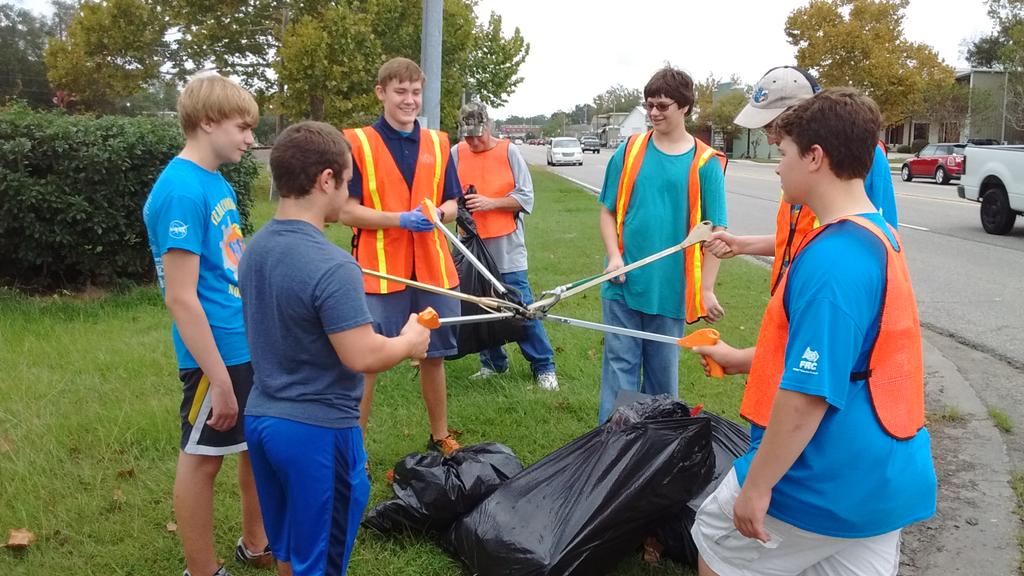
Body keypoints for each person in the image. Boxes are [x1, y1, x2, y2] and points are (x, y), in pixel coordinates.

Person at [690, 88, 936, 576]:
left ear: (815, 157)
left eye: (784, 152)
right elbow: (849, 357)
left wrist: (758, 485)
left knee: (714, 542)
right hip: (885, 478)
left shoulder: (832, 261)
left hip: (823, 476)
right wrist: (743, 360)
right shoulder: (878, 235)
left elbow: (808, 395)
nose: (777, 167)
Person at [240, 121, 431, 576]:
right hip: (317, 434)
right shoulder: (334, 265)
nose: (348, 192)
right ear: (326, 180)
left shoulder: (254, 248)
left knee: (289, 552)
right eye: (347, 181)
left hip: (263, 421)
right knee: (320, 563)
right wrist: (409, 341)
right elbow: (362, 355)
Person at [142, 73, 271, 576]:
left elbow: (226, 263)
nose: (250, 139)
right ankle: (201, 570)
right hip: (213, 353)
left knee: (253, 446)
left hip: (243, 341)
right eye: (243, 127)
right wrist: (217, 379)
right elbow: (181, 297)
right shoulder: (181, 190)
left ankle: (256, 544)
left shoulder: (215, 180)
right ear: (208, 122)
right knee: (202, 459)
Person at [700, 65, 900, 377]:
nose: (770, 138)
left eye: (773, 125)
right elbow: (796, 241)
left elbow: (868, 246)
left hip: (822, 309)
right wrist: (741, 245)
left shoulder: (857, 156)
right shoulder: (796, 167)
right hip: (794, 307)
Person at [339, 57, 462, 456]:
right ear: (381, 93)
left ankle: (440, 435)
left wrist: (440, 213)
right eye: (400, 92)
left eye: (415, 92)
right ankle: (354, 451)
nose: (409, 100)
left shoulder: (439, 144)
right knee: (367, 363)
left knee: (434, 355)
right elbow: (345, 211)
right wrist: (400, 220)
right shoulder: (358, 143)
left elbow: (453, 202)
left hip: (433, 270)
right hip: (379, 272)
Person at [596, 65, 728, 423]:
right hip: (622, 284)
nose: (653, 113)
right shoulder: (629, 150)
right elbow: (607, 211)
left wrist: (707, 290)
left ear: (684, 107)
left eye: (662, 106)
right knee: (619, 372)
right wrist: (613, 257)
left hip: (670, 290)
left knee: (661, 380)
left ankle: (657, 446)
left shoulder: (705, 164)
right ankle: (614, 445)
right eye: (649, 104)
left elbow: (716, 233)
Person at [451, 102, 559, 391]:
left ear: (489, 127)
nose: (473, 142)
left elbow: (525, 197)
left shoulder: (509, 152)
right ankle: (493, 363)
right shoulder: (456, 153)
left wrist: (491, 203)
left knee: (519, 306)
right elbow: (447, 194)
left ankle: (544, 367)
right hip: (470, 245)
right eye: (467, 136)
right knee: (479, 305)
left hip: (506, 245)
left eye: (478, 135)